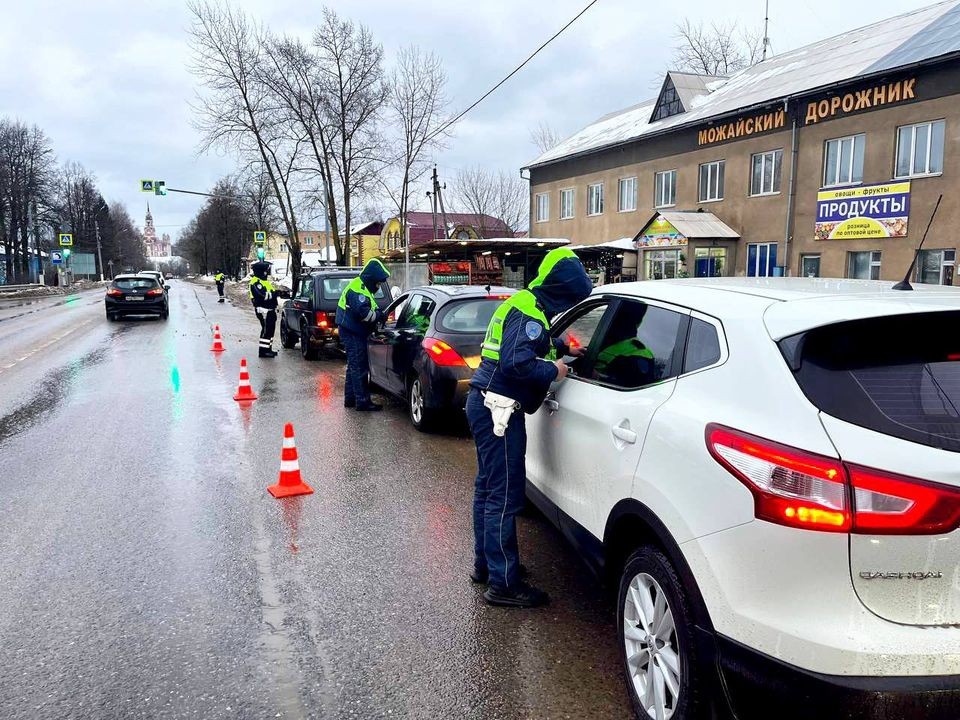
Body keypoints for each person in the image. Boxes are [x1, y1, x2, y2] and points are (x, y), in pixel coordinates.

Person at [467, 247, 593, 608]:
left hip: (486, 402)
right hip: (500, 408)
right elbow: (516, 363)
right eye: (568, 297)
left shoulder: (523, 303)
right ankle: (504, 585)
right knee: (504, 497)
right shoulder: (530, 312)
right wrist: (557, 369)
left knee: (488, 491)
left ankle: (488, 567)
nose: (566, 305)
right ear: (558, 288)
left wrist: (562, 346)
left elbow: (526, 342)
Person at [336, 258, 391, 411]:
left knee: (353, 366)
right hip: (352, 332)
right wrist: (379, 316)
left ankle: (351, 399)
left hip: (351, 330)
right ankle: (362, 402)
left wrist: (377, 314)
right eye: (378, 283)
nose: (379, 286)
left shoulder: (360, 286)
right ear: (371, 279)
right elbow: (365, 315)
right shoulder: (358, 291)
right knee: (359, 367)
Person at [249, 260, 283, 358]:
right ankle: (263, 352)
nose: (267, 273)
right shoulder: (255, 282)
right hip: (263, 310)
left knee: (270, 330)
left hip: (270, 310)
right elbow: (262, 296)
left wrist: (279, 292)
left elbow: (270, 292)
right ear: (260, 271)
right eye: (265, 270)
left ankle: (268, 349)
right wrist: (274, 294)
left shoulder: (264, 282)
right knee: (266, 330)